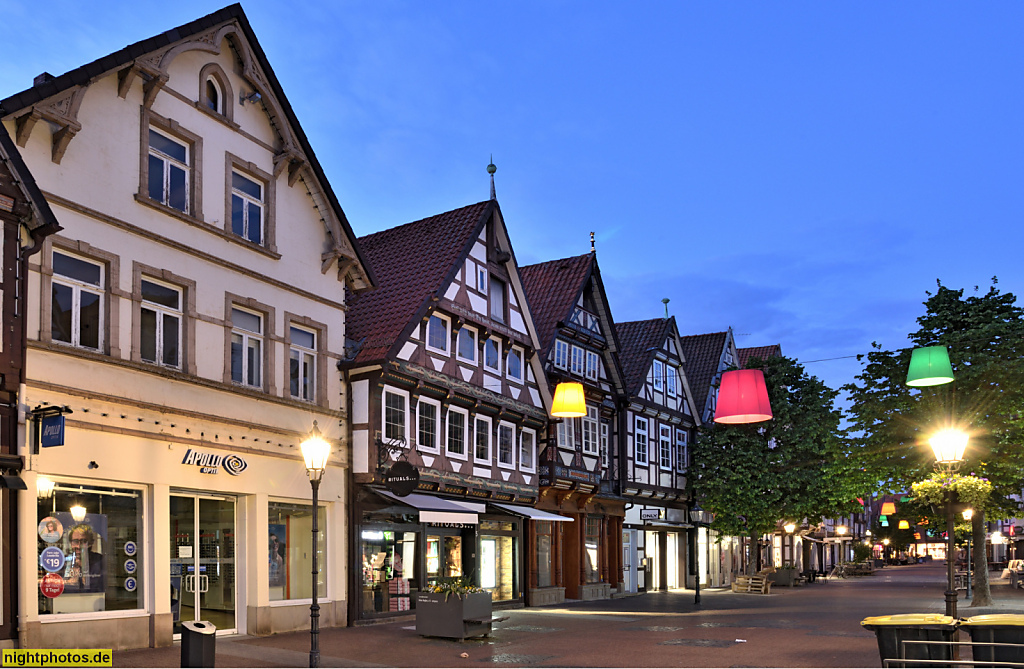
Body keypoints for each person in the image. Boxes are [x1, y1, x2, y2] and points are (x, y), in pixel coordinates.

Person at [64, 524, 105, 593]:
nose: (79, 546)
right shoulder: (64, 561)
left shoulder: (100, 561)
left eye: (83, 541)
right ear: (71, 543)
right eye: (75, 541)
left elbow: (103, 588)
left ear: (91, 543)